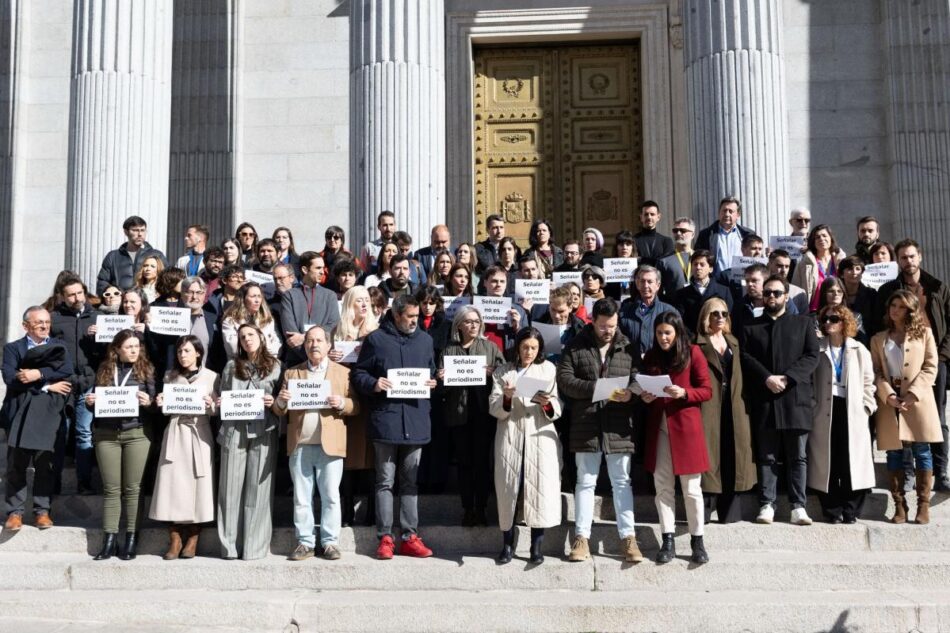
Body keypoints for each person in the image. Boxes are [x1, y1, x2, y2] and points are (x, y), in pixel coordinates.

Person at [557, 298, 642, 564]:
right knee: (585, 482)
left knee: (621, 482)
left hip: (618, 426)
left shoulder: (628, 346)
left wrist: (632, 394)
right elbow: (565, 380)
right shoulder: (576, 345)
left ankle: (628, 538)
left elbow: (639, 379)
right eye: (603, 326)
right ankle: (581, 538)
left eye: (612, 326)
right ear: (593, 320)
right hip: (587, 424)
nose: (608, 331)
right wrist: (595, 389)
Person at [352, 294, 438, 559]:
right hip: (386, 420)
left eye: (416, 316)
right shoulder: (376, 340)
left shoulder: (425, 340)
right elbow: (359, 374)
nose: (415, 321)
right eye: (410, 317)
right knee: (384, 482)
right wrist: (374, 384)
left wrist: (434, 382)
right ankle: (386, 537)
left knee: (410, 482)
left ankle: (410, 536)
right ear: (397, 315)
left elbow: (431, 372)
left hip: (415, 418)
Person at [738, 274, 820, 525]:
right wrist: (766, 378)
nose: (770, 297)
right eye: (767, 293)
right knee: (767, 456)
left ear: (786, 296)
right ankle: (767, 504)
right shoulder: (750, 327)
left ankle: (798, 506)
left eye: (775, 293)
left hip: (795, 398)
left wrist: (787, 378)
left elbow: (812, 356)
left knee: (798, 456)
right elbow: (745, 357)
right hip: (765, 399)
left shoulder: (802, 323)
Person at [273, 325, 359, 561]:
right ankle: (305, 542)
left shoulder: (343, 373)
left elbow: (355, 406)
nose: (314, 345)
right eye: (310, 341)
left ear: (328, 345)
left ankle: (330, 542)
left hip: (330, 444)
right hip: (300, 444)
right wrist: (281, 401)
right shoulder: (292, 373)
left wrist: (341, 402)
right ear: (305, 346)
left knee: (331, 495)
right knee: (302, 497)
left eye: (319, 340)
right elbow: (279, 410)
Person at [876, 239, 950, 492]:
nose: (908, 262)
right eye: (903, 258)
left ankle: (941, 471)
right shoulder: (888, 290)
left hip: (933, 360)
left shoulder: (938, 288)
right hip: (899, 358)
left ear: (920, 257)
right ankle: (907, 473)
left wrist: (941, 357)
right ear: (898, 260)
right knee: (901, 417)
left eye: (911, 257)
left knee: (936, 417)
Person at [640, 311, 712, 564]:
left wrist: (684, 392)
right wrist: (645, 396)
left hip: (686, 429)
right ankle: (667, 539)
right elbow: (644, 387)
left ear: (678, 332)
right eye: (659, 333)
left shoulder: (693, 353)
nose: (663, 338)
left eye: (667, 333)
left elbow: (707, 390)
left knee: (692, 490)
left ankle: (698, 540)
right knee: (663, 488)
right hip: (659, 429)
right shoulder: (651, 356)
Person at [488, 327, 562, 565]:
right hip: (511, 434)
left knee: (538, 489)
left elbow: (556, 406)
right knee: (510, 488)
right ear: (517, 347)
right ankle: (507, 544)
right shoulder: (503, 371)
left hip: (539, 435)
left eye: (534, 348)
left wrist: (546, 403)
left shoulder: (548, 369)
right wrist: (507, 397)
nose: (529, 352)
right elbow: (494, 407)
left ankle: (536, 547)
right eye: (525, 347)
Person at [871, 290, 942, 524]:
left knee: (922, 451)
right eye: (892, 305)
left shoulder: (925, 334)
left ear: (911, 310)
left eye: (901, 307)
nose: (895, 310)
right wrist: (888, 395)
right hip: (890, 401)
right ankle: (899, 506)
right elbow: (876, 372)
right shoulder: (879, 338)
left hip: (917, 400)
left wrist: (913, 394)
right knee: (894, 452)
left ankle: (923, 505)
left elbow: (931, 366)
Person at [84, 329, 156, 560]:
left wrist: (149, 402)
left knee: (133, 489)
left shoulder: (147, 370)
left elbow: (156, 406)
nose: (134, 350)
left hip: (137, 433)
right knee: (111, 489)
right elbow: (95, 402)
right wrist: (89, 402)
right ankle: (110, 540)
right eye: (129, 347)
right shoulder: (105, 370)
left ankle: (132, 539)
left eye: (137, 346)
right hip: (107, 435)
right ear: (116, 349)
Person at [2, 307, 73, 532]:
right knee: (16, 465)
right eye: (38, 323)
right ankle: (14, 512)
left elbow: (67, 372)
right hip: (19, 411)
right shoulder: (13, 348)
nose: (44, 326)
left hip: (48, 414)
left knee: (45, 464)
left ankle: (42, 511)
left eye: (47, 322)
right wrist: (47, 384)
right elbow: (10, 377)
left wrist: (37, 374)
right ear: (26, 326)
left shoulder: (59, 347)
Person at [217, 323, 282, 560]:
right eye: (242, 337)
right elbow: (223, 395)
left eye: (251, 335)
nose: (246, 340)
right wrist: (220, 403)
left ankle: (253, 548)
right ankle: (229, 547)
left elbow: (281, 403)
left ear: (261, 337)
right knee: (230, 489)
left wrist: (272, 401)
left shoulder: (275, 366)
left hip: (264, 430)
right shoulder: (230, 366)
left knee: (258, 490)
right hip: (234, 430)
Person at [150, 336, 218, 559]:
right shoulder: (170, 376)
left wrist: (212, 405)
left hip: (199, 433)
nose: (183, 355)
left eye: (187, 351)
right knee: (172, 484)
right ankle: (175, 537)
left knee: (199, 484)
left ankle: (193, 537)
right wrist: (161, 402)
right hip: (176, 433)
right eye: (180, 351)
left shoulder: (211, 377)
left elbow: (216, 409)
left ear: (198, 353)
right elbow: (168, 408)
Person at [807, 305, 877, 524]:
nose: (828, 322)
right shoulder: (817, 348)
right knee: (828, 460)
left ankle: (851, 509)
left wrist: (867, 406)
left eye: (833, 318)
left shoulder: (859, 349)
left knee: (852, 460)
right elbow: (808, 380)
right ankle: (832, 509)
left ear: (844, 321)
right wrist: (812, 404)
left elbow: (869, 382)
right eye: (825, 319)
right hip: (825, 409)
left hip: (853, 409)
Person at [440, 306, 505, 526]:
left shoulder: (490, 347)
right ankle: (467, 508)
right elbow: (439, 389)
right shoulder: (449, 350)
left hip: (483, 414)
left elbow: (506, 375)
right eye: (468, 321)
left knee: (481, 463)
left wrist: (493, 373)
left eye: (476, 321)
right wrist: (442, 379)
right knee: (464, 463)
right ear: (459, 324)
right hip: (458, 415)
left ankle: (482, 508)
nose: (473, 325)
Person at [694, 298, 755, 524]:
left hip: (734, 405)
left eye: (724, 314)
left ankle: (729, 511)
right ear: (705, 317)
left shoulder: (733, 341)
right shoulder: (697, 343)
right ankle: (706, 511)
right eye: (715, 314)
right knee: (710, 455)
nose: (720, 318)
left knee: (733, 454)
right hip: (709, 405)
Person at [331, 286, 379, 526]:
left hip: (369, 400)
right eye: (359, 300)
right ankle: (346, 511)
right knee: (346, 455)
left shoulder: (377, 333)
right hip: (344, 398)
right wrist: (331, 358)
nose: (364, 305)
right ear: (349, 303)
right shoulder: (337, 332)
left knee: (370, 457)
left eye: (367, 301)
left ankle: (371, 512)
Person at [50, 278, 100, 495]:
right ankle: (54, 483)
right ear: (62, 295)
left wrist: (101, 338)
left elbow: (110, 352)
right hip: (64, 385)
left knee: (84, 434)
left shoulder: (98, 317)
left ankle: (84, 482)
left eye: (79, 293)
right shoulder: (54, 319)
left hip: (88, 382)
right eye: (71, 294)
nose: (76, 298)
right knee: (60, 433)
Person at [281, 252, 341, 365]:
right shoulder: (289, 295)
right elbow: (290, 334)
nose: (322, 272)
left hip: (323, 360)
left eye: (323, 268)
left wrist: (305, 338)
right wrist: (311, 357)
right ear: (305, 270)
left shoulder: (330, 295)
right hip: (296, 361)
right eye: (318, 268)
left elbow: (333, 325)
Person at [96, 215, 169, 294]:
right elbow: (102, 282)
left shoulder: (157, 255)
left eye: (142, 230)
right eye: (135, 230)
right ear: (126, 232)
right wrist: (110, 290)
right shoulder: (113, 256)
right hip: (120, 303)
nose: (140, 234)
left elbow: (168, 280)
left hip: (149, 302)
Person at [618, 264, 679, 356]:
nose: (645, 285)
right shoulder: (624, 312)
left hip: (660, 364)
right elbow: (618, 340)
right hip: (632, 365)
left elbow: (679, 340)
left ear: (658, 285)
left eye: (650, 282)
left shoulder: (670, 311)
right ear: (637, 284)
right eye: (642, 281)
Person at [671, 249, 733, 335]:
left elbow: (729, 317)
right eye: (695, 264)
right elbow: (680, 320)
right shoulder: (682, 294)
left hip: (717, 337)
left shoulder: (723, 291)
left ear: (710, 269)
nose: (698, 267)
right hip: (693, 339)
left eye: (702, 264)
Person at [791, 223, 846, 312]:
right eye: (817, 237)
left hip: (838, 310)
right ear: (813, 242)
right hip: (813, 311)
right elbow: (795, 290)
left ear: (831, 239)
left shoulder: (841, 261)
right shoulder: (804, 264)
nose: (821, 239)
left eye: (824, 236)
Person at [693, 196, 754, 274]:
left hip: (741, 280)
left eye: (730, 211)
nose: (727, 214)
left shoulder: (748, 234)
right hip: (717, 282)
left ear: (738, 215)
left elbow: (756, 257)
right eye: (724, 211)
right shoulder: (706, 234)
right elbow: (698, 258)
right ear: (719, 213)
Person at [221, 282, 282, 359]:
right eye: (253, 296)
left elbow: (277, 346)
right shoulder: (230, 321)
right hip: (241, 365)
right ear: (243, 298)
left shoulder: (268, 319)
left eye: (259, 296)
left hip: (266, 364)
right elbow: (233, 349)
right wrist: (262, 346)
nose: (257, 300)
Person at [839, 255, 878, 344]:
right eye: (849, 269)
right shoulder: (836, 294)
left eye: (858, 269)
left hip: (866, 343)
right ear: (841, 274)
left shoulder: (872, 294)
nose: (854, 272)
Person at [657, 217, 695, 299]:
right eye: (675, 230)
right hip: (674, 307)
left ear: (693, 234)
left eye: (683, 231)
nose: (678, 233)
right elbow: (658, 289)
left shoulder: (700, 258)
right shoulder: (663, 261)